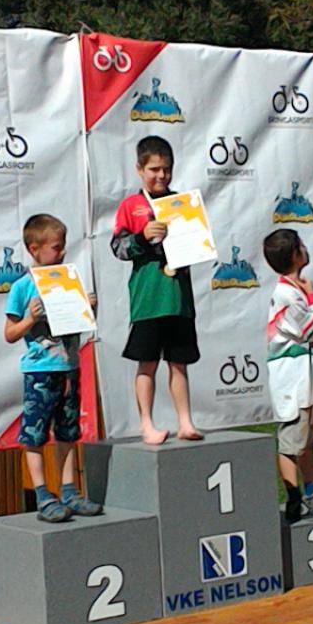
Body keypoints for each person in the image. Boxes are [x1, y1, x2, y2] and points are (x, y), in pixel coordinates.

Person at [5, 214, 99, 523]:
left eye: (63, 246)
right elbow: (10, 333)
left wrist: (88, 309)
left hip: (69, 365)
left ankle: (70, 491)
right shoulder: (22, 287)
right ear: (35, 249)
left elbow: (79, 325)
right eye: (56, 247)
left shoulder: (67, 282)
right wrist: (30, 319)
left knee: (68, 430)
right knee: (34, 433)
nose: (62, 252)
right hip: (40, 370)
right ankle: (43, 495)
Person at [111, 136, 202, 445]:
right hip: (148, 299)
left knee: (179, 362)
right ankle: (146, 424)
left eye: (167, 169)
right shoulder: (130, 206)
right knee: (147, 362)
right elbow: (118, 248)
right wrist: (141, 236)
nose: (161, 175)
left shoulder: (182, 203)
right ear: (139, 169)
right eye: (154, 169)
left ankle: (185, 421)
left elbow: (198, 244)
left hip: (177, 298)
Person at [263, 229, 313, 522]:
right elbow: (311, 330)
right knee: (290, 440)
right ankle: (294, 497)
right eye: (302, 246)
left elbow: (311, 340)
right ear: (295, 255)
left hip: (308, 377)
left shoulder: (295, 291)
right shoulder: (285, 294)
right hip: (293, 381)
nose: (306, 249)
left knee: (307, 439)